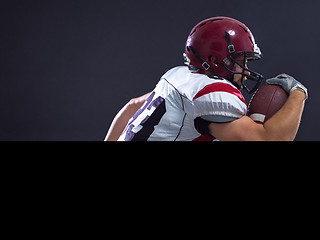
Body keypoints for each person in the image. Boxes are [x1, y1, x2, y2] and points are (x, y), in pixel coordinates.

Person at [105, 16, 308, 141]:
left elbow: (133, 106)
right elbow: (269, 140)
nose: (246, 71)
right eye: (241, 62)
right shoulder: (210, 93)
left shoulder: (178, 75)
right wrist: (298, 93)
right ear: (215, 60)